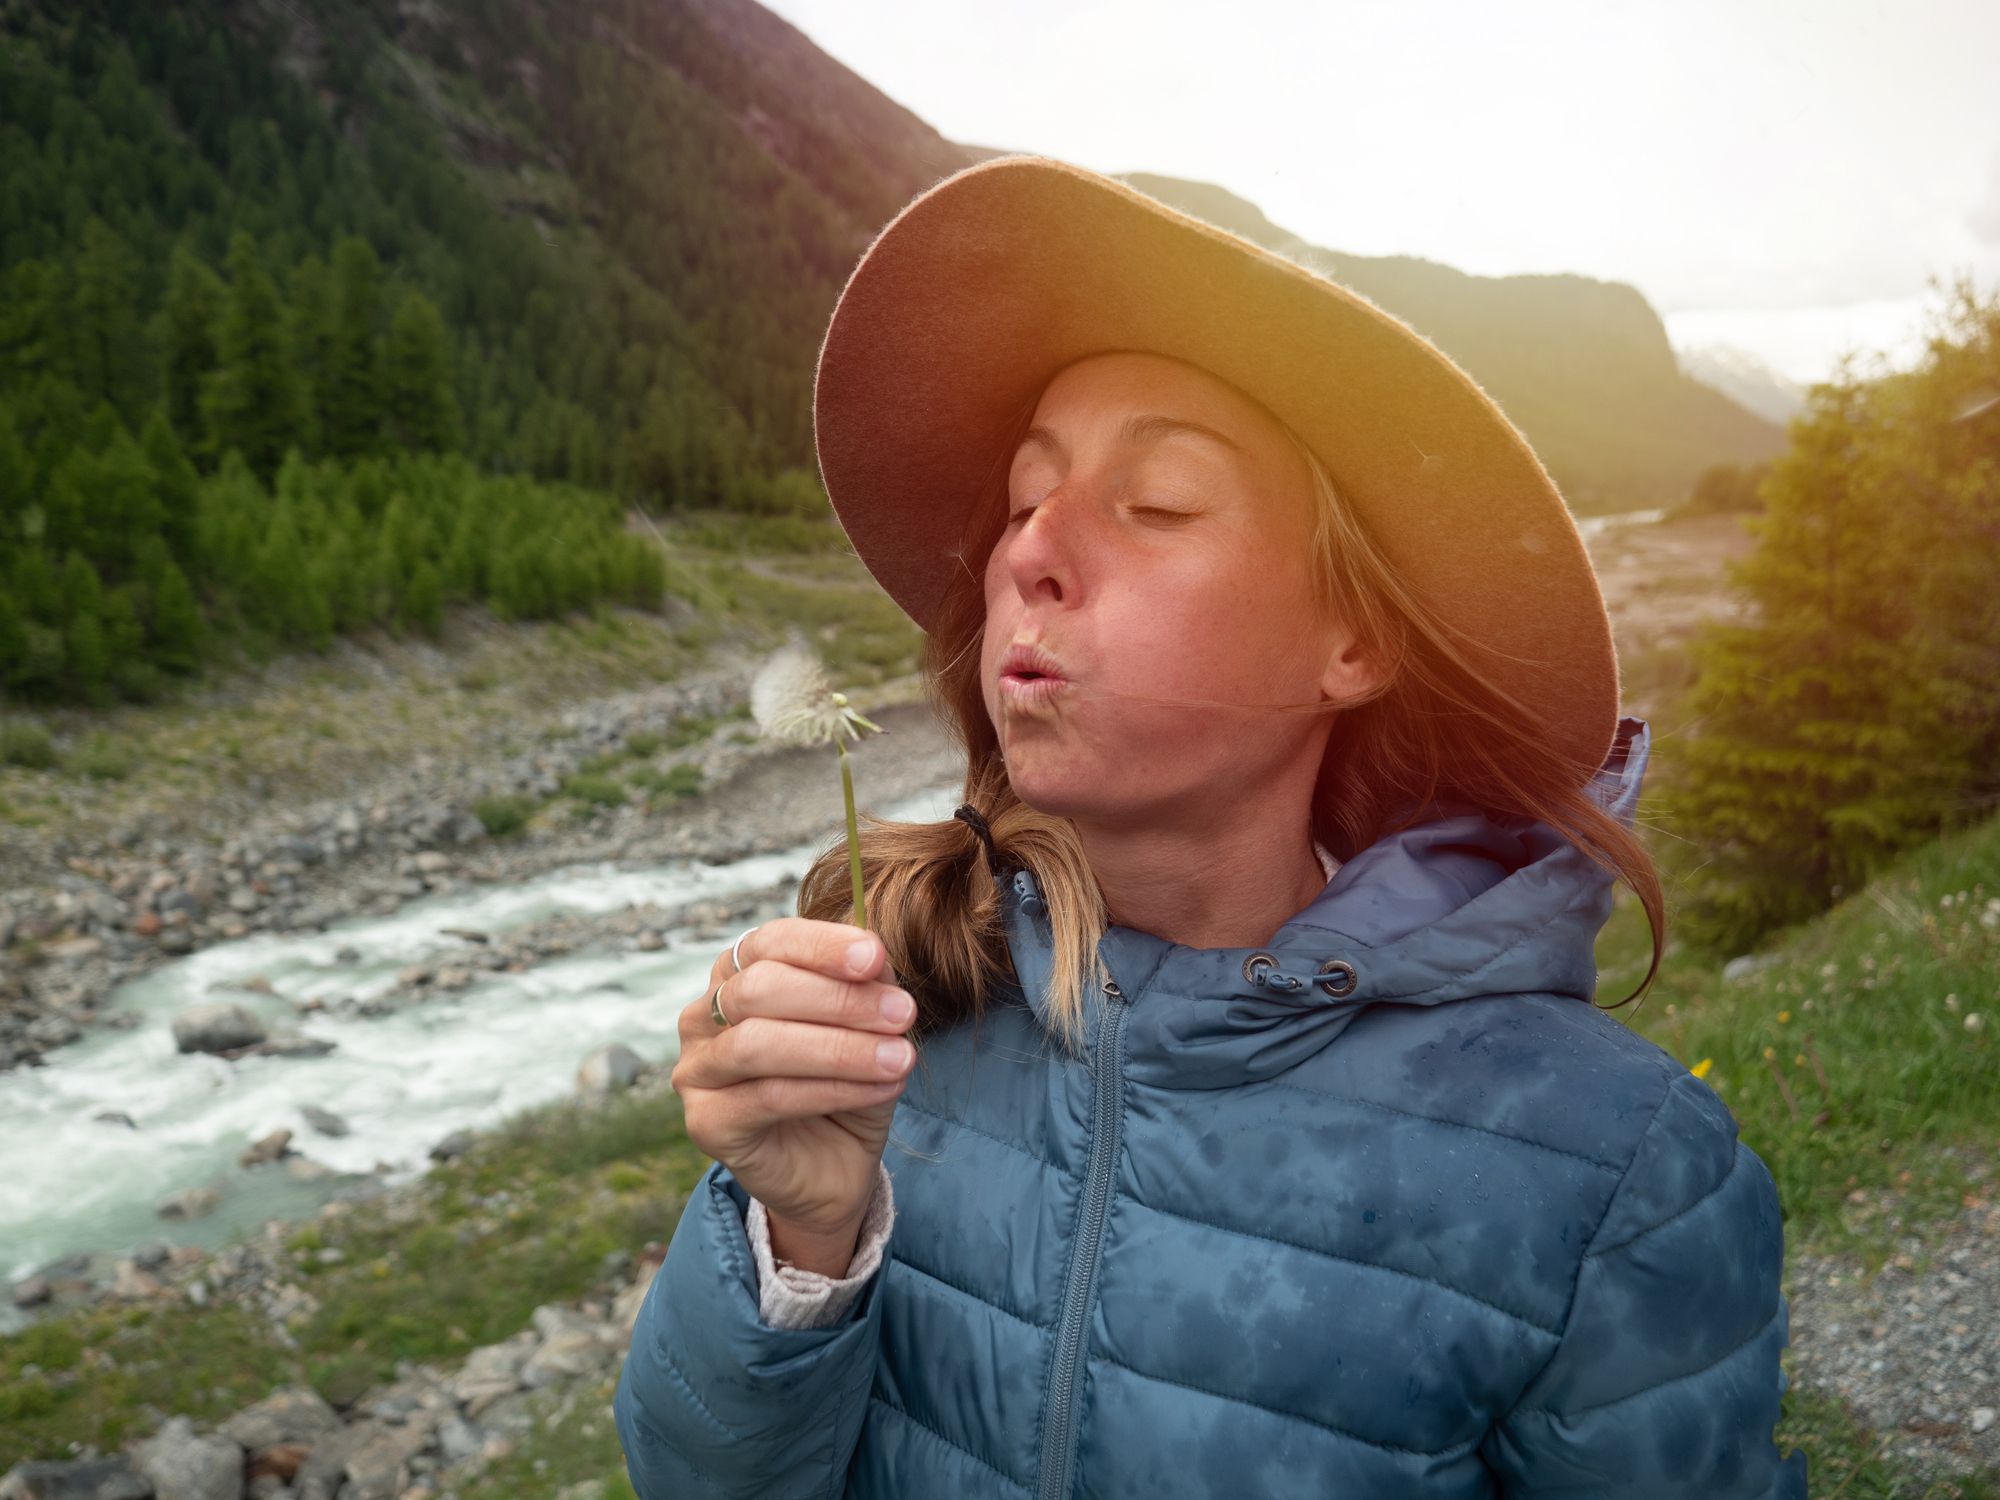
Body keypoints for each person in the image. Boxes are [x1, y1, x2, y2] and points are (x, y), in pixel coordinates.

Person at [614, 155, 1805, 1498]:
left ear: (1354, 644)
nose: (1028, 551)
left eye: (1159, 503)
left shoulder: (1613, 1174)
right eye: (1020, 502)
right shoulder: (895, 1017)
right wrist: (804, 1240)